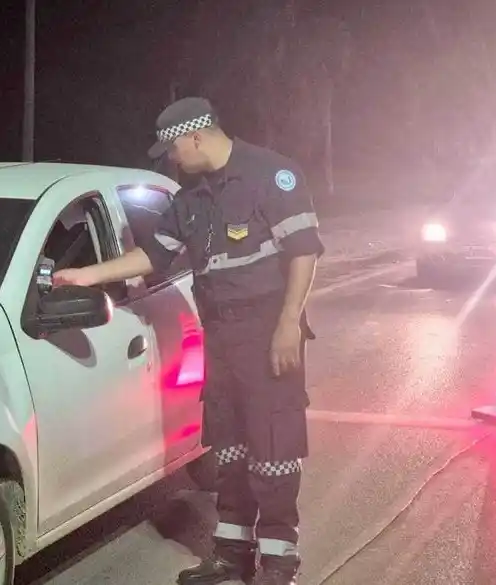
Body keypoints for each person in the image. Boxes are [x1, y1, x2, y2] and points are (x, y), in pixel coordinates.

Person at [53, 97, 324, 585]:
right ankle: (231, 554)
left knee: (273, 449)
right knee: (231, 450)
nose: (172, 159)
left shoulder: (272, 174)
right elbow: (153, 256)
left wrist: (289, 322)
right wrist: (85, 276)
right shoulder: (190, 199)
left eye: (174, 148)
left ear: (195, 136)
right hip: (219, 335)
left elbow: (304, 252)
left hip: (267, 334)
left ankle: (280, 562)